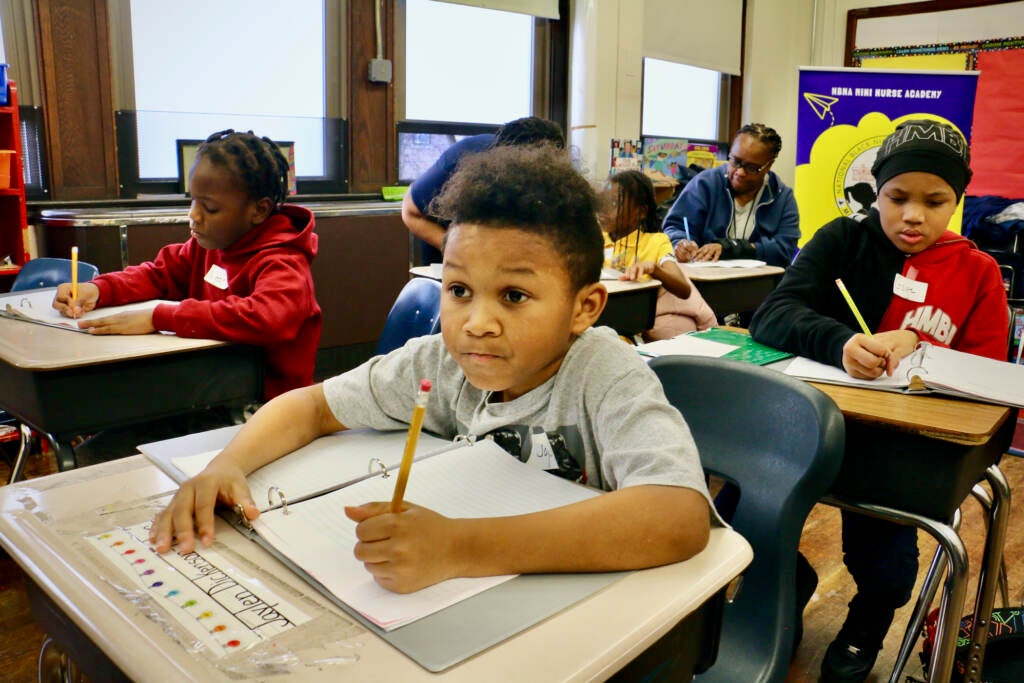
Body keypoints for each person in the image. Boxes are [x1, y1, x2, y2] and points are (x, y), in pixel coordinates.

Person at [150, 144, 716, 597]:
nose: (477, 323)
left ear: (584, 308)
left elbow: (676, 515)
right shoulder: (438, 362)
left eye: (514, 295)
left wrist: (459, 548)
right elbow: (313, 406)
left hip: (585, 610)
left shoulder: (604, 372)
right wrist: (226, 465)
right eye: (459, 290)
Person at [749, 119, 1008, 682]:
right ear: (877, 191)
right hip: (810, 429)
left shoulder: (978, 272)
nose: (913, 215)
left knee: (886, 564)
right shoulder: (842, 240)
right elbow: (773, 315)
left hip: (896, 448)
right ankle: (786, 587)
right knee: (744, 512)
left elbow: (989, 383)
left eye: (935, 201)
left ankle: (867, 619)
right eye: (896, 197)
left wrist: (918, 344)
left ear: (957, 200)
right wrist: (841, 342)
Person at [53, 129, 321, 401]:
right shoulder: (207, 245)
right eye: (192, 200)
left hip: (269, 405)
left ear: (259, 210)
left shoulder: (283, 261)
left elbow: (267, 317)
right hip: (210, 389)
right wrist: (97, 290)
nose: (193, 214)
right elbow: (158, 275)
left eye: (210, 208)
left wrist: (158, 317)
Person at [402, 116, 565, 265]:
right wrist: (456, 249)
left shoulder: (556, 181)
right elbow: (410, 211)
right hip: (452, 253)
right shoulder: (462, 159)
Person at [599, 170, 716, 340]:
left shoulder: (656, 242)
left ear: (641, 212)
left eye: (614, 203)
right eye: (601, 202)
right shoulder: (595, 238)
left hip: (629, 325)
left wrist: (655, 269)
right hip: (599, 318)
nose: (604, 210)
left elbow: (683, 289)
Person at [663, 123, 800, 267]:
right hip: (705, 279)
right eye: (736, 161)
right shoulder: (705, 184)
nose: (740, 172)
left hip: (760, 283)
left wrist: (733, 248)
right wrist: (680, 243)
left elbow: (784, 250)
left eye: (752, 168)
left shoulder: (782, 197)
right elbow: (675, 227)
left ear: (768, 166)